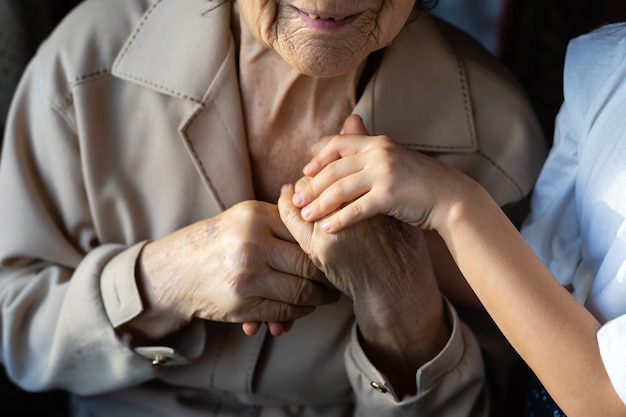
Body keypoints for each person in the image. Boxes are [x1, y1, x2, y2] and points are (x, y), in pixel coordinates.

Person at [0, 0, 547, 415]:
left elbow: (506, 402)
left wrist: (400, 307)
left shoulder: (499, 143)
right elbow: (16, 329)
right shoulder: (88, 63)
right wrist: (162, 281)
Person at [287, 23, 626, 417]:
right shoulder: (607, 62)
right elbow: (543, 277)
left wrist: (454, 205)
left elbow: (604, 400)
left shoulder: (497, 131)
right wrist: (343, 226)